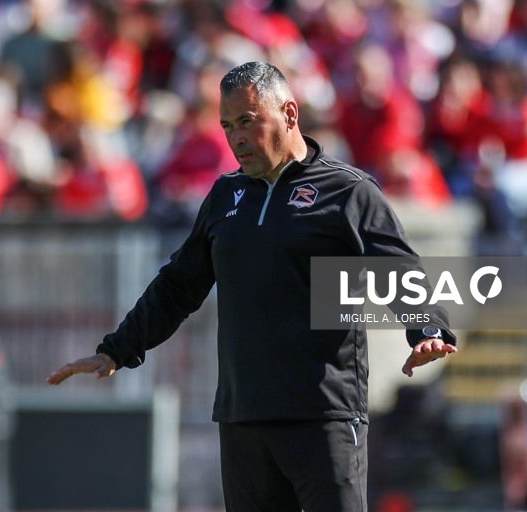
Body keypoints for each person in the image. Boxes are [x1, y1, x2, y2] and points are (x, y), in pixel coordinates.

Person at [47, 62, 457, 511]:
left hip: (324, 415)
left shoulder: (348, 191)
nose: (236, 136)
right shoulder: (225, 196)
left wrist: (428, 330)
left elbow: (397, 269)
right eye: (226, 125)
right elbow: (178, 285)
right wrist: (116, 349)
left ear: (289, 113)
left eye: (247, 121)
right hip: (244, 417)